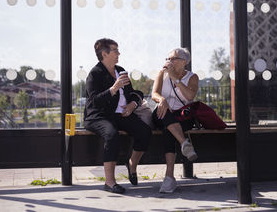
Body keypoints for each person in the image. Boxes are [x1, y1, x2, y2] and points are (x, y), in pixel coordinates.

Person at [83, 38, 152, 194]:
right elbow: (94, 102)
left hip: (121, 114)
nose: (118, 53)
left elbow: (134, 93)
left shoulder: (120, 70)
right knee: (111, 134)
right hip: (98, 116)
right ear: (104, 53)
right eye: (115, 50)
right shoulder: (95, 74)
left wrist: (132, 105)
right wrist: (113, 89)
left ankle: (132, 165)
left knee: (144, 131)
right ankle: (109, 182)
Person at [151, 47, 199, 193]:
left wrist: (175, 78)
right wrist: (162, 100)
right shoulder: (161, 73)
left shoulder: (192, 77)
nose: (169, 61)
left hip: (182, 115)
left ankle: (169, 177)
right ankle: (184, 143)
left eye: (173, 59)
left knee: (168, 129)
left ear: (184, 62)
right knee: (165, 115)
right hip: (162, 112)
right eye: (168, 58)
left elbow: (189, 96)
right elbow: (154, 93)